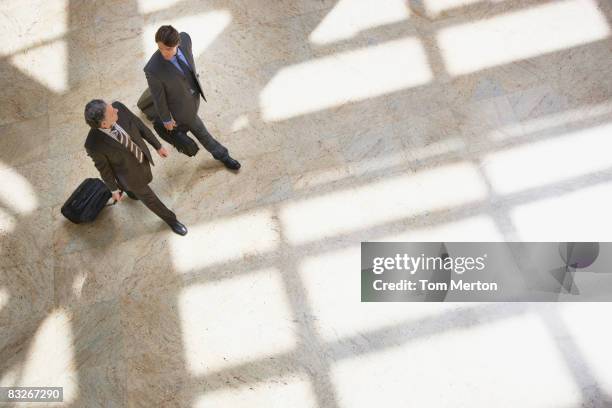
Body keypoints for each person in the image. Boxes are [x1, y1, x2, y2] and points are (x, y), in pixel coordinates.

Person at [141, 25, 241, 170]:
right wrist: (166, 119)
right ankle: (223, 155)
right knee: (202, 133)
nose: (164, 53)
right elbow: (158, 98)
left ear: (178, 43)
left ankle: (181, 130)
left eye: (168, 49)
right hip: (181, 108)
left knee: (183, 128)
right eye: (160, 48)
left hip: (194, 97)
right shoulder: (152, 69)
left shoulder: (185, 39)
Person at [84, 99, 188, 236]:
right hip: (128, 175)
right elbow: (104, 169)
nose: (116, 110)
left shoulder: (119, 107)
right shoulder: (93, 145)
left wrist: (157, 145)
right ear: (104, 123)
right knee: (149, 199)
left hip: (141, 157)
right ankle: (172, 220)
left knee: (139, 185)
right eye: (111, 112)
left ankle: (131, 192)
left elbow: (139, 125)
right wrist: (113, 189)